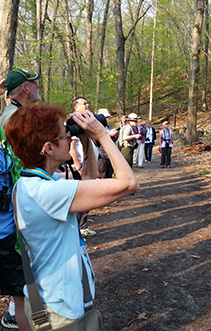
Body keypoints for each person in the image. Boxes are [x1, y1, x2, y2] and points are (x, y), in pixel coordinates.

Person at [4, 104, 139, 329]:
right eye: (65, 134)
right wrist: (103, 136)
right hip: (61, 310)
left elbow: (89, 180)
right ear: (48, 148)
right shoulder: (49, 193)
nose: (70, 139)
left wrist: (86, 139)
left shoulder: (28, 184)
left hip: (47, 298)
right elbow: (128, 183)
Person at [0, 68, 40, 330]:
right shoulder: (15, 119)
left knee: (21, 289)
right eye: (33, 83)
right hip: (14, 217)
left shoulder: (11, 115)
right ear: (25, 88)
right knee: (25, 290)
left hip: (12, 213)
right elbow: (19, 168)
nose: (37, 87)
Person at [0, 132, 31, 331]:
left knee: (21, 297)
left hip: (10, 235)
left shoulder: (4, 147)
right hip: (8, 236)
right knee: (22, 297)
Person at [69, 97, 99, 237]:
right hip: (81, 167)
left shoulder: (84, 122)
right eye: (84, 103)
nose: (87, 105)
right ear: (75, 107)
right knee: (82, 198)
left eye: (88, 102)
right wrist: (77, 164)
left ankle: (83, 227)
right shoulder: (73, 123)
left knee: (87, 198)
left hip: (88, 166)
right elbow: (71, 146)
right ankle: (79, 228)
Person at [96, 108, 118, 178]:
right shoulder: (96, 127)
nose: (107, 119)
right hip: (101, 155)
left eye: (108, 117)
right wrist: (109, 135)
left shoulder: (108, 126)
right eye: (105, 117)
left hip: (110, 155)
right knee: (102, 175)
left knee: (109, 175)